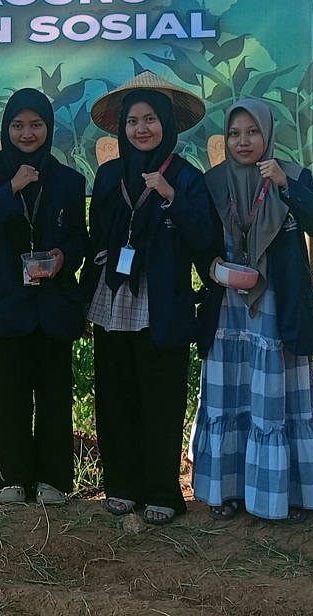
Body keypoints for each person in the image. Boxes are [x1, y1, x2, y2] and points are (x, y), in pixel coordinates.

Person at [82, 72, 220, 526]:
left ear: (167, 125)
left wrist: (172, 199)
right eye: (133, 121)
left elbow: (206, 240)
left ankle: (163, 490)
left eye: (151, 120)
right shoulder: (106, 176)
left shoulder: (186, 177)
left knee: (161, 399)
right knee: (115, 397)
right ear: (121, 129)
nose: (142, 129)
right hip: (112, 299)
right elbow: (96, 236)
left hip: (162, 301)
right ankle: (120, 484)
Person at [191, 99, 313, 524]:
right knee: (228, 395)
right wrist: (211, 268)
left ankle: (286, 494)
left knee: (276, 401)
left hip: (278, 305)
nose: (243, 141)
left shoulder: (292, 175)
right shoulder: (212, 182)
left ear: (268, 135)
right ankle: (225, 491)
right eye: (235, 134)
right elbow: (200, 241)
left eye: (252, 132)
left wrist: (286, 189)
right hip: (227, 309)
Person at [0, 88, 87, 506]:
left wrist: (64, 256)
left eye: (36, 125)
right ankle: (9, 478)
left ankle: (54, 478)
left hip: (54, 304)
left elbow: (79, 236)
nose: (27, 133)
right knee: (9, 395)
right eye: (18, 125)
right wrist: (10, 189)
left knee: (55, 393)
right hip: (6, 305)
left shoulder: (69, 180)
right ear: (6, 128)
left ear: (49, 129)